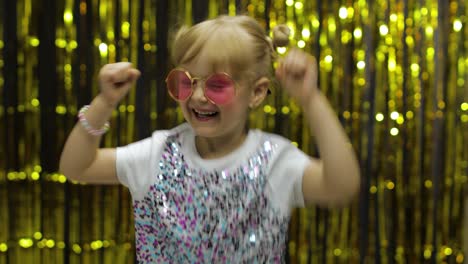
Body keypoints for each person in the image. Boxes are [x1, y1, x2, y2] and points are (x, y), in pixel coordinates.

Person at [60, 15, 360, 263]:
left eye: (218, 85)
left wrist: (311, 99)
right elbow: (77, 167)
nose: (198, 96)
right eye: (185, 82)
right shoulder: (157, 154)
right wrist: (104, 102)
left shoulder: (274, 161)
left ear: (257, 92)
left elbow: (342, 187)